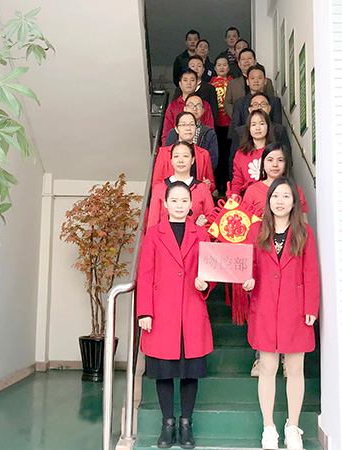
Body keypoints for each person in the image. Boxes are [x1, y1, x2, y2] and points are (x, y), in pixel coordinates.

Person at [242, 176, 319, 450]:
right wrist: (247, 281)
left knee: (295, 370)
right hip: (264, 307)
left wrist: (311, 307)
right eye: (275, 196)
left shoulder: (304, 233)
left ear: (294, 202)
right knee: (267, 368)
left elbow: (311, 271)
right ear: (268, 200)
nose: (280, 201)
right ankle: (268, 428)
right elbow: (248, 267)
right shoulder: (256, 230)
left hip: (295, 309)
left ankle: (293, 427)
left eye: (286, 196)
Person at [137, 181, 214, 449]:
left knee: (190, 371)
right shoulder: (154, 234)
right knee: (164, 372)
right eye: (174, 201)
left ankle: (186, 424)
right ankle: (167, 425)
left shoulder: (201, 233)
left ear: (191, 204)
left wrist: (207, 284)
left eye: (184, 200)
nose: (179, 205)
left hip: (192, 308)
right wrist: (144, 311)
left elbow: (210, 270)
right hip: (162, 311)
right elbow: (145, 274)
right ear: (165, 204)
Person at [148, 141, 214, 229]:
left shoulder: (202, 188)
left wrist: (204, 222)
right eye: (176, 156)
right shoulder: (159, 189)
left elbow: (212, 219)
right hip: (165, 237)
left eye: (185, 156)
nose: (181, 160)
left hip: (195, 237)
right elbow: (152, 224)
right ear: (171, 160)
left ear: (192, 160)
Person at [230, 94, 291, 178]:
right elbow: (234, 168)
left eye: (263, 104)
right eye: (255, 105)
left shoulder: (279, 130)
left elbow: (287, 160)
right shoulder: (239, 133)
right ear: (250, 109)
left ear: (269, 108)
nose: (259, 107)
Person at [242, 144, 308, 221]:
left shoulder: (296, 190)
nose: (275, 164)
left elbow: (303, 222)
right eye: (270, 160)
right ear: (263, 163)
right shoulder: (252, 190)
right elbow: (244, 221)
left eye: (280, 160)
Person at [155, 112, 216, 193]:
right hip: (171, 198)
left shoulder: (204, 154)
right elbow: (156, 183)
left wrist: (208, 185)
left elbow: (212, 184)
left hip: (196, 198)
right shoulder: (164, 153)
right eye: (183, 125)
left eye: (192, 125)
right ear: (176, 129)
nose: (188, 128)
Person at [165, 93, 219, 170]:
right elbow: (167, 157)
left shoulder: (209, 133)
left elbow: (213, 161)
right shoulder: (174, 132)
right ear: (185, 108)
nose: (194, 109)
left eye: (198, 106)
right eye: (191, 105)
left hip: (201, 173)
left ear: (203, 111)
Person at [229, 64, 283, 137]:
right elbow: (235, 129)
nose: (256, 81)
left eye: (260, 78)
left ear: (265, 81)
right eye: (252, 78)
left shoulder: (274, 101)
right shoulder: (239, 103)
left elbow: (278, 127)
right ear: (247, 82)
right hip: (245, 141)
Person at [163, 68, 214, 143]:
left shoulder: (204, 105)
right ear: (180, 84)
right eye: (185, 80)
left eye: (192, 80)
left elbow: (210, 130)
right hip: (178, 147)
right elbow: (166, 133)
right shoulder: (173, 105)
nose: (189, 83)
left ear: (197, 84)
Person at [229, 110, 273, 197]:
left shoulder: (275, 151)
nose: (258, 128)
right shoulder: (240, 154)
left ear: (268, 126)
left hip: (271, 196)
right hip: (248, 197)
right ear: (248, 128)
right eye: (253, 124)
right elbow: (237, 181)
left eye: (261, 124)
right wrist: (234, 198)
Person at [225, 48, 275, 120]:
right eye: (243, 59)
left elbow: (272, 101)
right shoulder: (232, 84)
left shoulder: (267, 82)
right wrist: (237, 116)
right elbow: (227, 103)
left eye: (249, 58)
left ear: (255, 61)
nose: (246, 61)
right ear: (239, 64)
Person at [210, 56, 233, 195]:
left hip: (229, 124)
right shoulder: (210, 84)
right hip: (216, 124)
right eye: (219, 65)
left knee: (228, 156)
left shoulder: (232, 82)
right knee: (217, 156)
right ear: (215, 68)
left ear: (229, 68)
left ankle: (228, 185)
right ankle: (218, 186)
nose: (222, 67)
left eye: (224, 65)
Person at [173, 56, 219, 121]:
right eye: (193, 66)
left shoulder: (210, 88)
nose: (196, 68)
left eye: (199, 66)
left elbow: (214, 112)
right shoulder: (180, 89)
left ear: (203, 69)